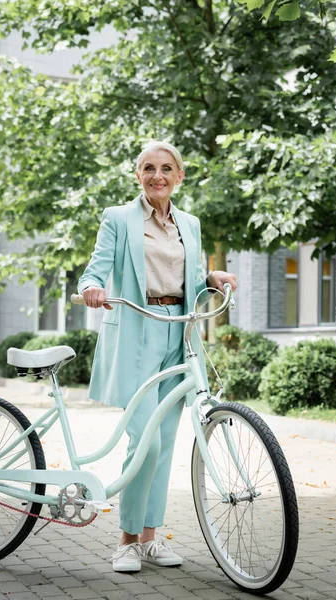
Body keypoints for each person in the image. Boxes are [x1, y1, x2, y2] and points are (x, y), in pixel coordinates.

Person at [78, 140, 237, 573]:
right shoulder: (118, 218)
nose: (157, 176)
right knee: (144, 441)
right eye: (148, 168)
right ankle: (126, 541)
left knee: (166, 441)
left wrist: (211, 275)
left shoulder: (190, 222)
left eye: (166, 169)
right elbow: (97, 265)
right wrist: (91, 287)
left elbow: (187, 271)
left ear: (179, 176)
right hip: (136, 329)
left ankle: (150, 539)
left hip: (178, 332)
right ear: (138, 175)